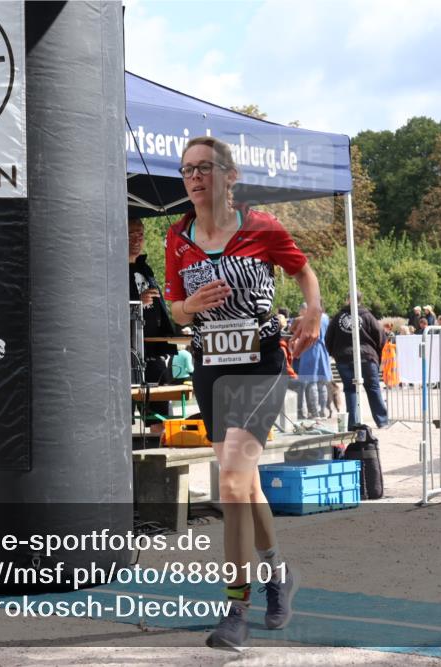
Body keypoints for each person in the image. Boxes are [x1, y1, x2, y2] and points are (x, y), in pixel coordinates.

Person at [165, 136, 320, 649]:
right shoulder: (177, 237)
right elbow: (175, 310)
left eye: (204, 168)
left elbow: (304, 272)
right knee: (245, 485)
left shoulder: (261, 228)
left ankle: (236, 609)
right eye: (187, 170)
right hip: (211, 369)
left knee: (230, 481)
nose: (194, 177)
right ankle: (280, 575)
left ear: (230, 176)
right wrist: (192, 304)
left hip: (261, 363)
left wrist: (313, 311)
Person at [129, 217, 178, 433]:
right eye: (131, 234)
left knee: (161, 413)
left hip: (153, 351)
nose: (137, 239)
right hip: (127, 354)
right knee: (124, 412)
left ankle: (162, 449)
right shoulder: (110, 268)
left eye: (140, 234)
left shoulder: (146, 268)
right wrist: (136, 301)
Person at [325, 293, 389, 429]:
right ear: (361, 300)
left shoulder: (338, 317)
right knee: (373, 388)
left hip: (344, 357)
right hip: (366, 356)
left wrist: (335, 354)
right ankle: (382, 421)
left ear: (347, 299)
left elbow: (328, 338)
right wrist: (375, 353)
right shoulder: (367, 316)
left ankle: (352, 423)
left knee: (350, 390)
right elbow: (380, 335)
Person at [295, 302, 332, 419]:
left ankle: (315, 412)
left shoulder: (309, 318)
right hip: (323, 350)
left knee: (312, 382)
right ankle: (323, 411)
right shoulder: (326, 318)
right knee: (322, 383)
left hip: (310, 349)